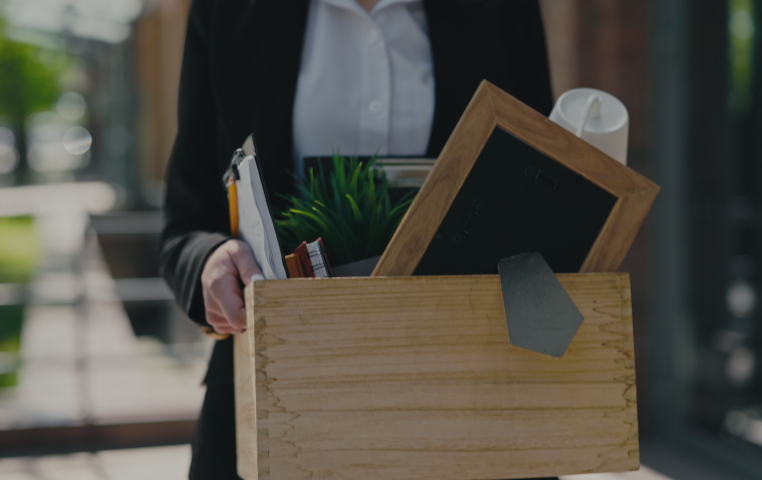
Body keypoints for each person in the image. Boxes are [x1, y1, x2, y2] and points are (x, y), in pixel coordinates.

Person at [159, 0, 554, 478]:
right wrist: (209, 260)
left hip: (470, 396)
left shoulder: (502, 10)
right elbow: (186, 223)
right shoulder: (229, 11)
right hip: (274, 396)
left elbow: (541, 187)